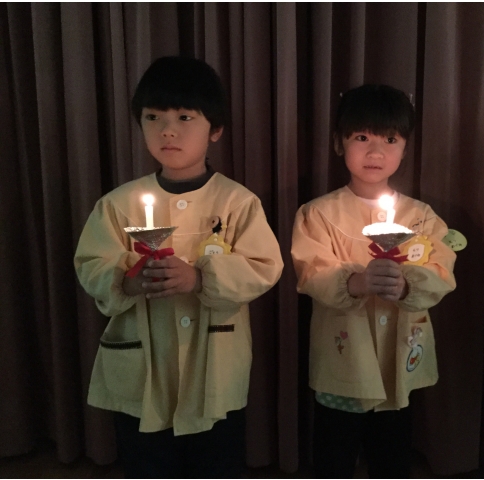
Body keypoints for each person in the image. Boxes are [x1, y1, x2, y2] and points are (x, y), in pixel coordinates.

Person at [74, 56, 283, 478]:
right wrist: (127, 280)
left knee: (216, 462)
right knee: (147, 461)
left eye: (185, 117)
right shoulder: (117, 204)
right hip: (143, 375)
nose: (167, 130)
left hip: (214, 373)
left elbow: (264, 266)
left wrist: (201, 277)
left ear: (215, 129)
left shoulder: (238, 202)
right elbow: (91, 263)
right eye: (153, 117)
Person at [291, 84, 457, 478]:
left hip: (398, 359)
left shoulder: (422, 217)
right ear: (339, 143)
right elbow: (312, 271)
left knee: (391, 455)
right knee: (335, 456)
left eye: (390, 139)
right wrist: (357, 282)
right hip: (344, 361)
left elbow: (442, 271)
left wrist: (407, 286)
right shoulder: (318, 214)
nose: (376, 152)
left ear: (405, 147)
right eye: (362, 138)